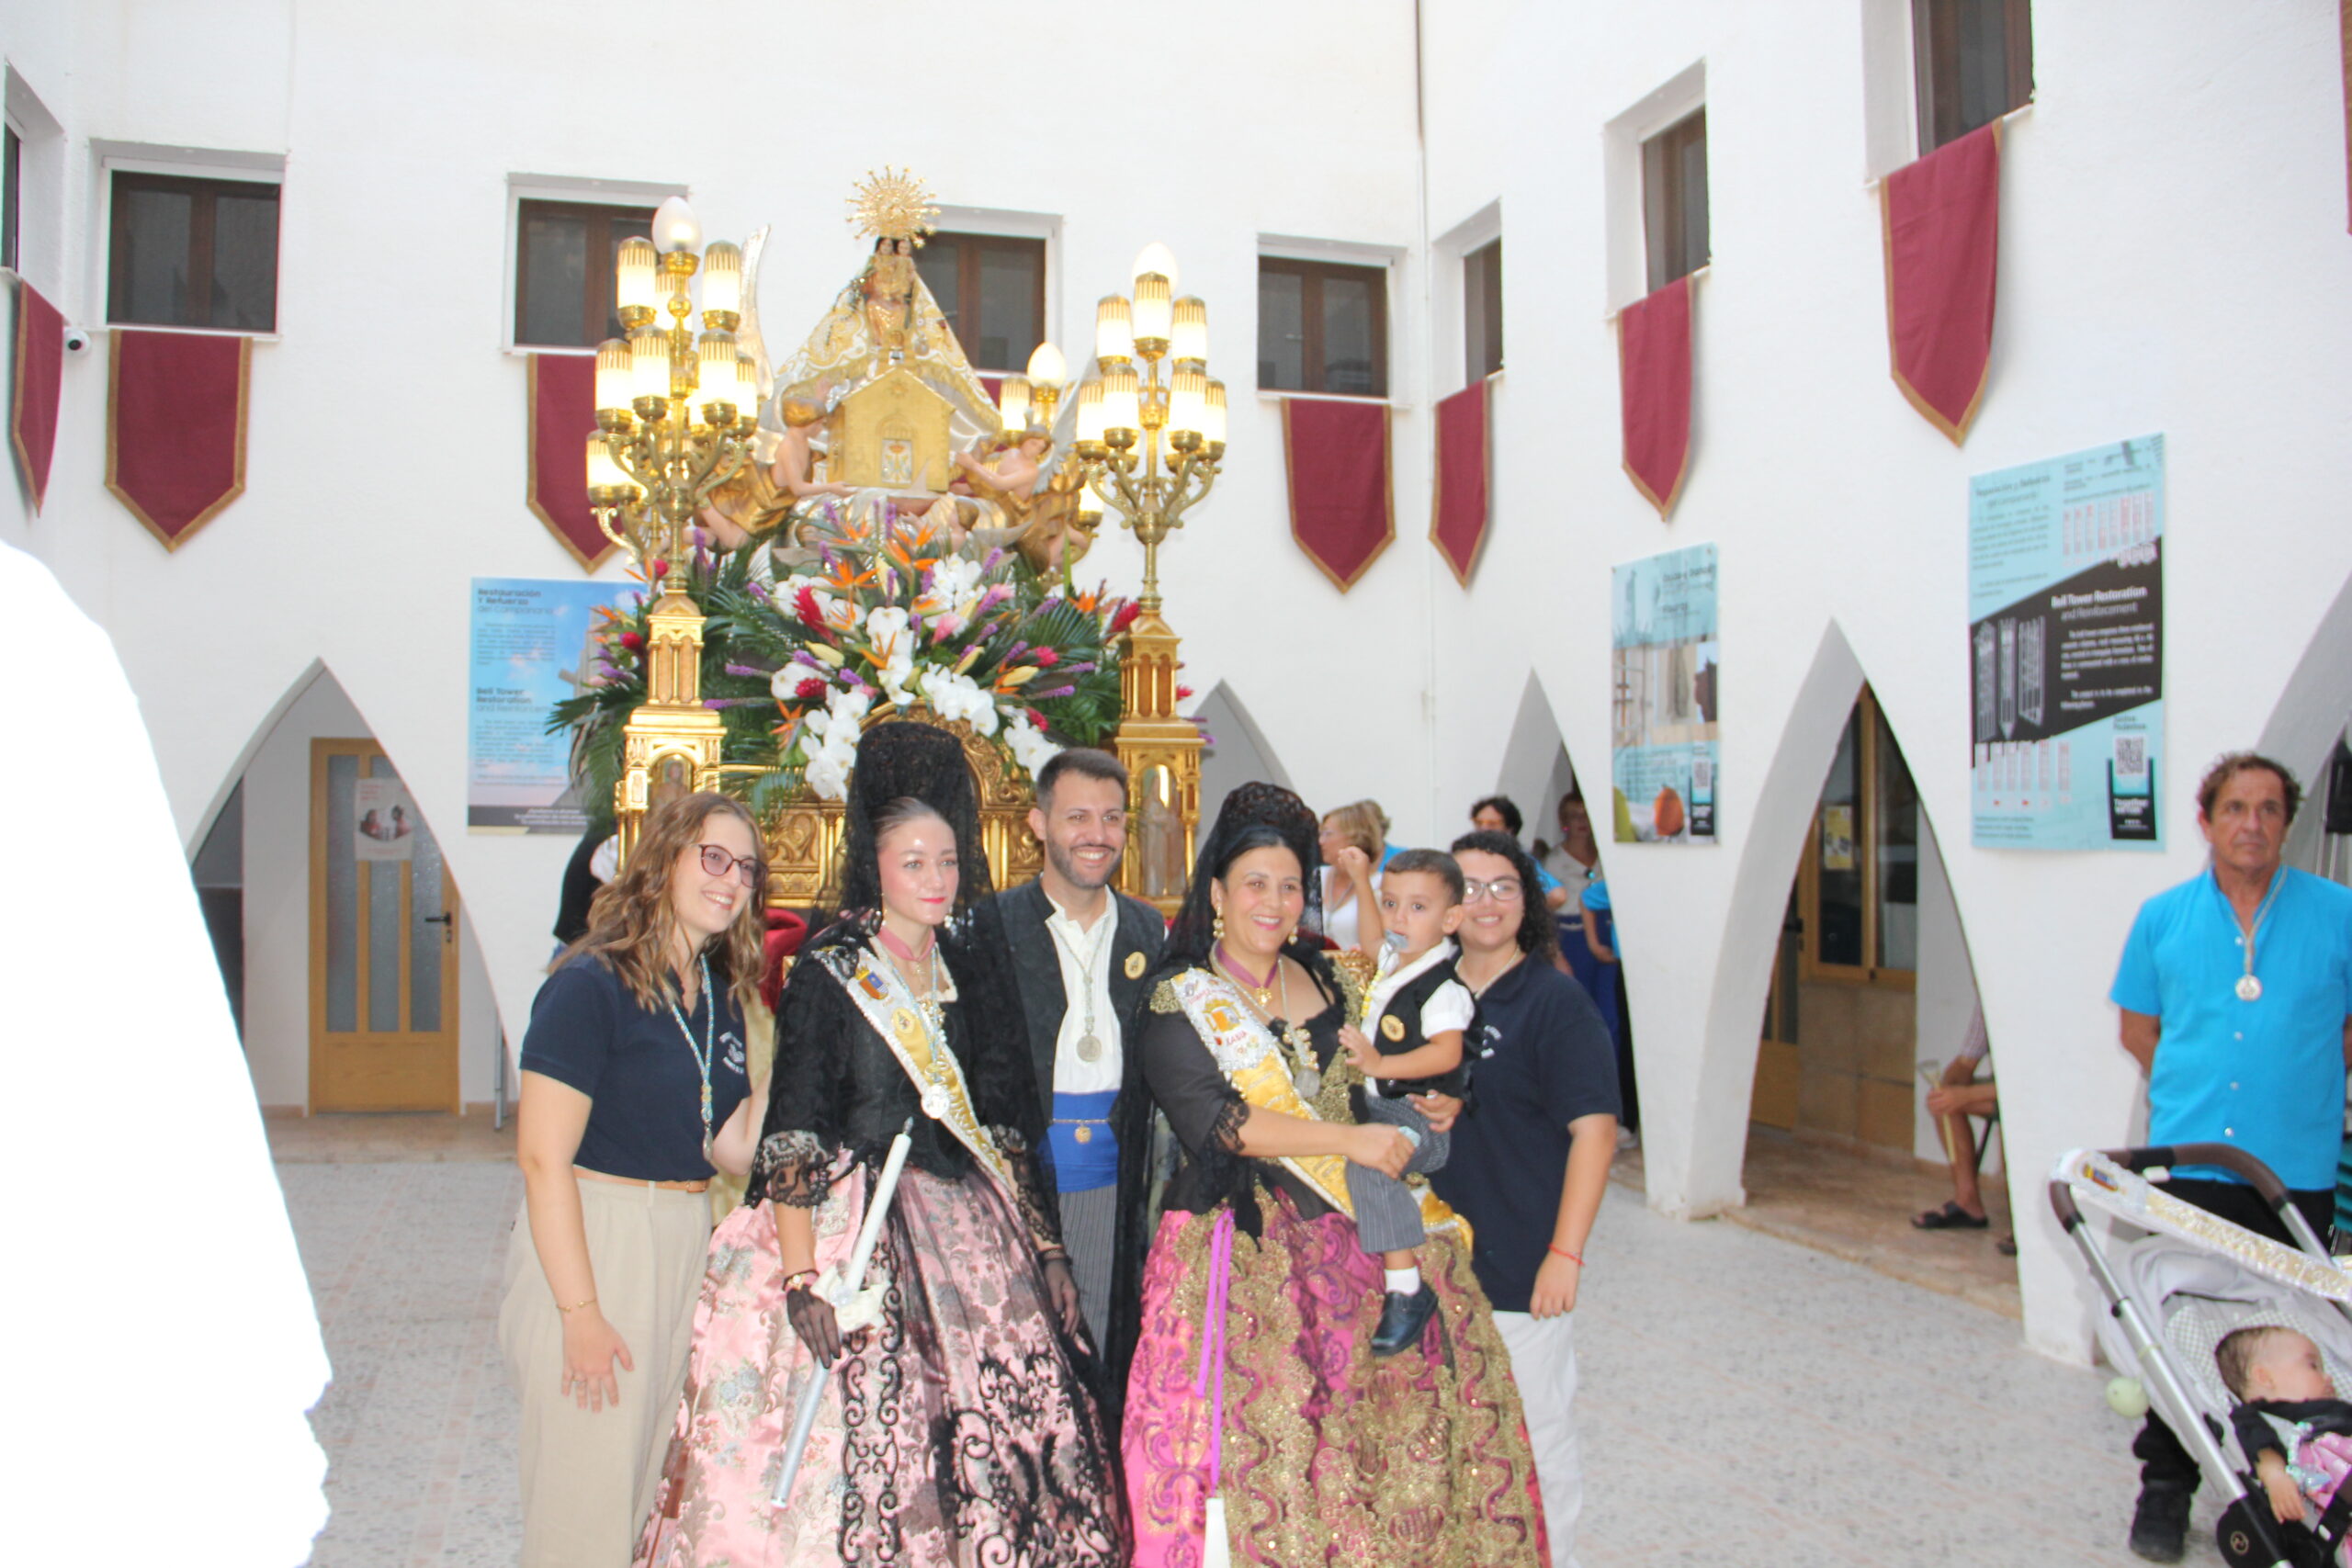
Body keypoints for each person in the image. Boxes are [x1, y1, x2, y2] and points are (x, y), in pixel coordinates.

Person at [637, 724, 1125, 1568]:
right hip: (849, 1233)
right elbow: (792, 1130)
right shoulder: (832, 970)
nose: (936, 880)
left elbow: (1003, 1122)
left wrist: (1046, 1247)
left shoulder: (968, 968)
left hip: (974, 1235)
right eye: (914, 861)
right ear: (877, 862)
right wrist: (800, 1279)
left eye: (947, 861)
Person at [1109, 784, 1548, 1568]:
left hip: (1369, 1247)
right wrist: (1349, 1139)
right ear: (1216, 892)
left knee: (1391, 1463)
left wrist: (1436, 1100)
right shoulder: (1179, 999)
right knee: (1268, 1457)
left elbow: (1391, 1076)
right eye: (1254, 884)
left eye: (1289, 885)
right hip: (1241, 1256)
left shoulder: (1339, 979)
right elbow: (1220, 1121)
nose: (1274, 903)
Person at [500, 792, 769, 1568]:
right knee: (579, 1515)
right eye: (712, 858)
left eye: (745, 867)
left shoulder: (711, 992)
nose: (731, 880)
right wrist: (579, 1313)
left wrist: (818, 1057)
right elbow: (542, 1158)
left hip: (681, 1235)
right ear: (663, 860)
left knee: (642, 1499)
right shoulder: (590, 982)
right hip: (597, 1240)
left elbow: (731, 1146)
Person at [2111, 751, 2352, 1563]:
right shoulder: (2163, 917)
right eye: (2236, 807)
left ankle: (2304, 1485)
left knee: (2290, 1341)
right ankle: (2167, 1489)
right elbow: (2139, 1031)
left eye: (2270, 809)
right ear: (2207, 819)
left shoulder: (2338, 913)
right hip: (2191, 1171)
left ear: (2288, 822)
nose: (2252, 823)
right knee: (2177, 1329)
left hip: (2294, 1175)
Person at [1424, 828, 1622, 1568]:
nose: (1486, 901)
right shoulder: (1425, 992)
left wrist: (1564, 1254)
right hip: (1432, 1268)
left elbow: (1595, 1134)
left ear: (1528, 900)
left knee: (1533, 1444)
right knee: (1446, 1443)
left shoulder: (1553, 1002)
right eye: (1468, 886)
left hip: (1519, 1271)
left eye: (1504, 885)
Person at [969, 746, 1166, 1349]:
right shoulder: (991, 926)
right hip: (1021, 1176)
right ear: (1039, 823)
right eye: (1077, 816)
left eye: (1112, 818)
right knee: (1025, 1348)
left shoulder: (1148, 929)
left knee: (1113, 1345)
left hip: (1122, 1176)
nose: (1097, 834)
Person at [1338, 847, 1474, 1356]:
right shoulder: (1398, 959)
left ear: (1451, 918)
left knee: (1371, 1165)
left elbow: (1446, 1052)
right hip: (1380, 1105)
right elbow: (1374, 939)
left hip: (1416, 1115)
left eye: (1417, 908)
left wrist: (1379, 1065)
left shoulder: (1443, 989)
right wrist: (1360, 878)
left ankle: (1407, 1291)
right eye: (1391, 903)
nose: (1398, 918)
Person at [2219, 1325, 2352, 1540]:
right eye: (2313, 1366)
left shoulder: (2338, 1408)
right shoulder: (2261, 1416)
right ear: (2264, 1377)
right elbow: (2260, 1445)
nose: (2328, 1377)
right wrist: (2275, 1475)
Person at [1912, 1003, 2005, 1248]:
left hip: (2036, 1096)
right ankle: (1967, 1202)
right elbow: (1966, 1061)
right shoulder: (1988, 998)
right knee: (1945, 1101)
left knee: (2016, 1115)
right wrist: (1946, 1087)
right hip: (2002, 1090)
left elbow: (2031, 1081)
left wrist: (1967, 1095)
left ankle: (2028, 1225)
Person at [1473, 794, 1569, 910]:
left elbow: (1557, 895)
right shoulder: (1465, 858)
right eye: (1479, 823)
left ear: (1509, 829)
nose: (1483, 829)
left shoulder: (1521, 861)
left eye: (1492, 824)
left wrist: (1521, 913)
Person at [1317, 798, 1386, 953]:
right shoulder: (1315, 877)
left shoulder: (1380, 884)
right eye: (1320, 834)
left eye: (1327, 834)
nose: (1321, 841)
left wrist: (1360, 880)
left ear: (1353, 836)